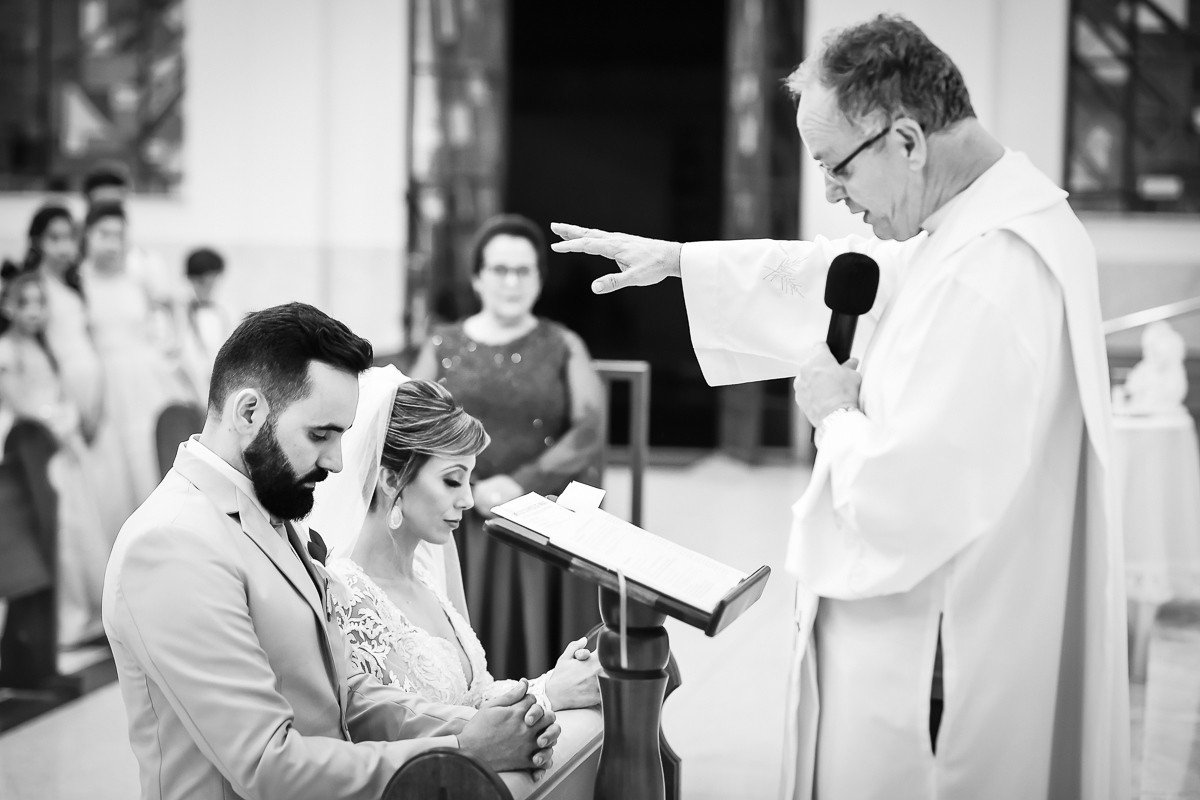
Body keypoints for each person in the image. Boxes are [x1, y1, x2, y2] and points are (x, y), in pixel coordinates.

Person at [551, 15, 1128, 800]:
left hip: (936, 668)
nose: (829, 193)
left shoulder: (990, 274)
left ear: (907, 140)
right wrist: (682, 262)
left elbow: (910, 497)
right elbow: (854, 271)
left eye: (835, 167)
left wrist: (834, 414)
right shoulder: (974, 229)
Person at [102, 302, 561, 800]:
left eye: (341, 436)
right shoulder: (172, 543)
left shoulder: (267, 509)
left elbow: (344, 691)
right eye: (320, 434)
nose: (338, 462)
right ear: (249, 412)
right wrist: (462, 751)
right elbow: (268, 765)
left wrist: (479, 724)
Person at [309, 368, 602, 712]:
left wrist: (552, 682)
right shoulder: (346, 596)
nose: (467, 500)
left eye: (469, 480)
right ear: (390, 480)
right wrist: (548, 696)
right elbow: (408, 724)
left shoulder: (426, 576)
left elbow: (475, 696)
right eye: (452, 481)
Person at [410, 214, 605, 680]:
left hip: (539, 515)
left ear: (539, 277)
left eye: (523, 270)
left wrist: (521, 483)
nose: (512, 282)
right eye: (500, 269)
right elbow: (413, 420)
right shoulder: (443, 343)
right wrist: (459, 484)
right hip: (457, 517)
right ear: (478, 277)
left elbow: (589, 428)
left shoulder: (562, 344)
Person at [0, 263, 107, 646]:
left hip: (62, 442)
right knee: (57, 529)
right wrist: (55, 423)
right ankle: (63, 619)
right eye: (24, 303)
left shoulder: (44, 347)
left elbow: (57, 393)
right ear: (8, 306)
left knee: (80, 525)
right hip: (35, 446)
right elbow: (20, 402)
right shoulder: (7, 350)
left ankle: (90, 611)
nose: (33, 311)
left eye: (40, 303)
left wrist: (69, 417)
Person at [80, 201, 189, 532]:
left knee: (150, 459)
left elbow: (174, 304)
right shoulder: (79, 281)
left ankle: (159, 532)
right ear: (87, 234)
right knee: (111, 471)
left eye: (119, 235)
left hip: (145, 379)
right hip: (104, 383)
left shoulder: (138, 277)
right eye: (104, 234)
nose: (112, 243)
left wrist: (174, 345)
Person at [24, 204, 104, 438]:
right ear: (37, 240)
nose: (63, 246)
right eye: (54, 238)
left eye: (69, 237)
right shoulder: (33, 288)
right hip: (59, 389)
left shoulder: (76, 284)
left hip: (92, 383)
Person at [176, 247, 234, 406]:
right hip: (187, 397)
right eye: (202, 281)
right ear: (189, 279)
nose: (208, 286)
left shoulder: (225, 313)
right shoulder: (180, 313)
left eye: (212, 280)